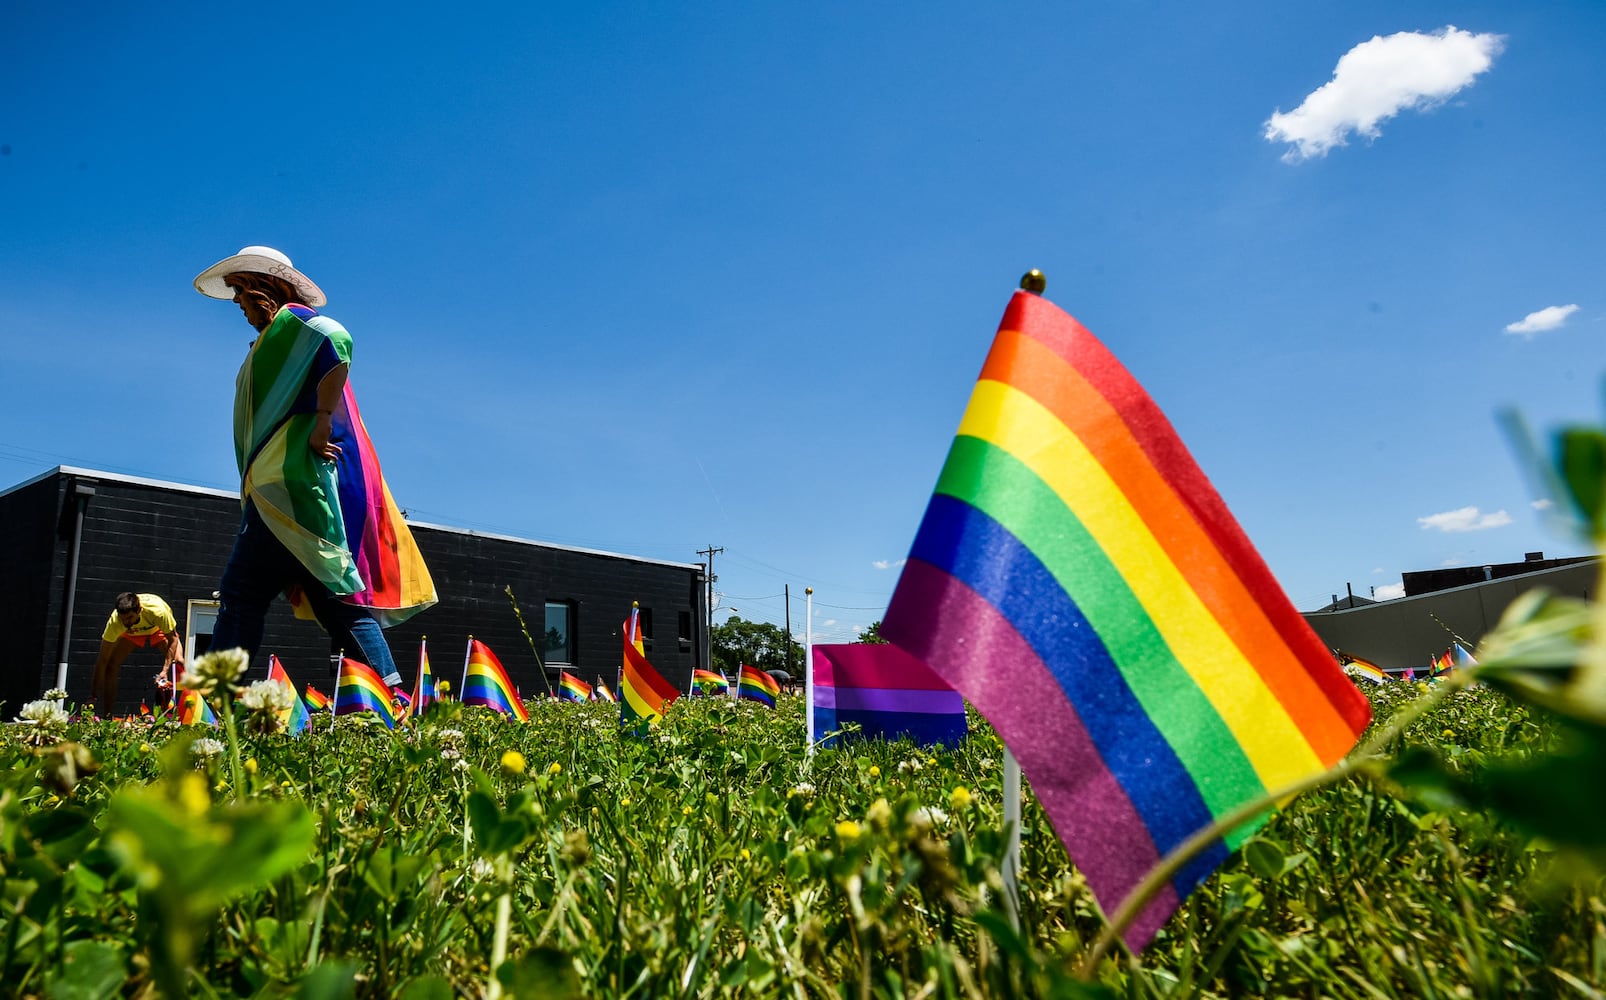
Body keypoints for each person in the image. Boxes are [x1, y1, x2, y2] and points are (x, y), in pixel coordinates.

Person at [192, 246, 436, 686]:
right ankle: (390, 698)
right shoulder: (273, 339)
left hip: (288, 483)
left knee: (241, 593)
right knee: (333, 598)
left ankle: (220, 699)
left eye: (239, 295)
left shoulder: (294, 322)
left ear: (259, 287)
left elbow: (336, 337)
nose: (238, 306)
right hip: (285, 484)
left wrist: (323, 421)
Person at [91, 592, 184, 716]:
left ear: (139, 610)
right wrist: (93, 695)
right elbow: (102, 659)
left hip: (157, 628)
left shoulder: (158, 612)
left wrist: (165, 670)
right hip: (132, 632)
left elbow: (173, 639)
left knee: (178, 662)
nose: (125, 622)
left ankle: (184, 714)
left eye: (129, 618)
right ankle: (107, 718)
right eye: (122, 618)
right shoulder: (116, 622)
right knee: (111, 665)